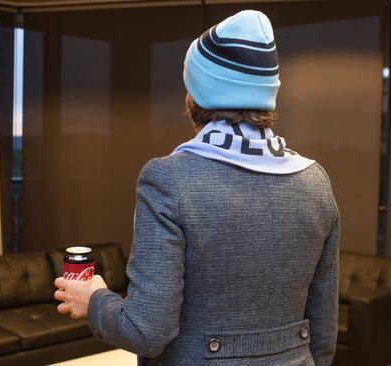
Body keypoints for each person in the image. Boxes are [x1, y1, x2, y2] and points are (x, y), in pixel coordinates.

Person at [54, 9, 340, 366]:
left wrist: (93, 298)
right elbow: (324, 336)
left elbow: (147, 330)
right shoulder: (316, 181)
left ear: (195, 99)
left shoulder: (168, 180)